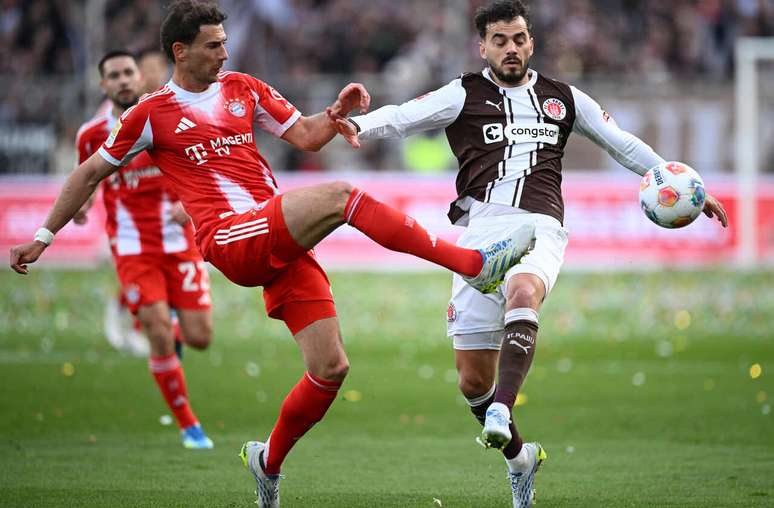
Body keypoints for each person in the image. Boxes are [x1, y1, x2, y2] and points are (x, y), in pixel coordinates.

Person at [9, 1, 535, 506]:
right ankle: (473, 264)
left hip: (272, 235)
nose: (224, 54)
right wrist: (45, 235)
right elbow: (88, 172)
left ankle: (268, 462)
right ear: (179, 51)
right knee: (341, 198)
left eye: (225, 42)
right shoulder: (151, 114)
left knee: (330, 369)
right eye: (213, 46)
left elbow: (306, 136)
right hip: (229, 237)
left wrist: (335, 113)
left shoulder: (244, 89)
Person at [327, 1, 729, 506]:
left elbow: (622, 144)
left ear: (531, 42)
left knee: (524, 290)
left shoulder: (564, 98)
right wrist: (357, 127)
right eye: (500, 40)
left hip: (540, 225)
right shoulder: (463, 93)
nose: (510, 48)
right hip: (477, 236)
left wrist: (686, 183)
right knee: (473, 379)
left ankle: (503, 409)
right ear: (483, 47)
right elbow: (405, 116)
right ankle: (520, 457)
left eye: (518, 38)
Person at [74, 50, 215, 449]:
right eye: (112, 75)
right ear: (103, 84)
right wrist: (81, 207)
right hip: (133, 247)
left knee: (200, 336)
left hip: (181, 244)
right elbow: (85, 179)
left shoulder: (165, 116)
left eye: (127, 72)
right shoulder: (90, 134)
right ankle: (191, 427)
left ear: (141, 77)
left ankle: (162, 316)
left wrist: (189, 205)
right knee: (157, 332)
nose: (122, 80)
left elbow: (201, 169)